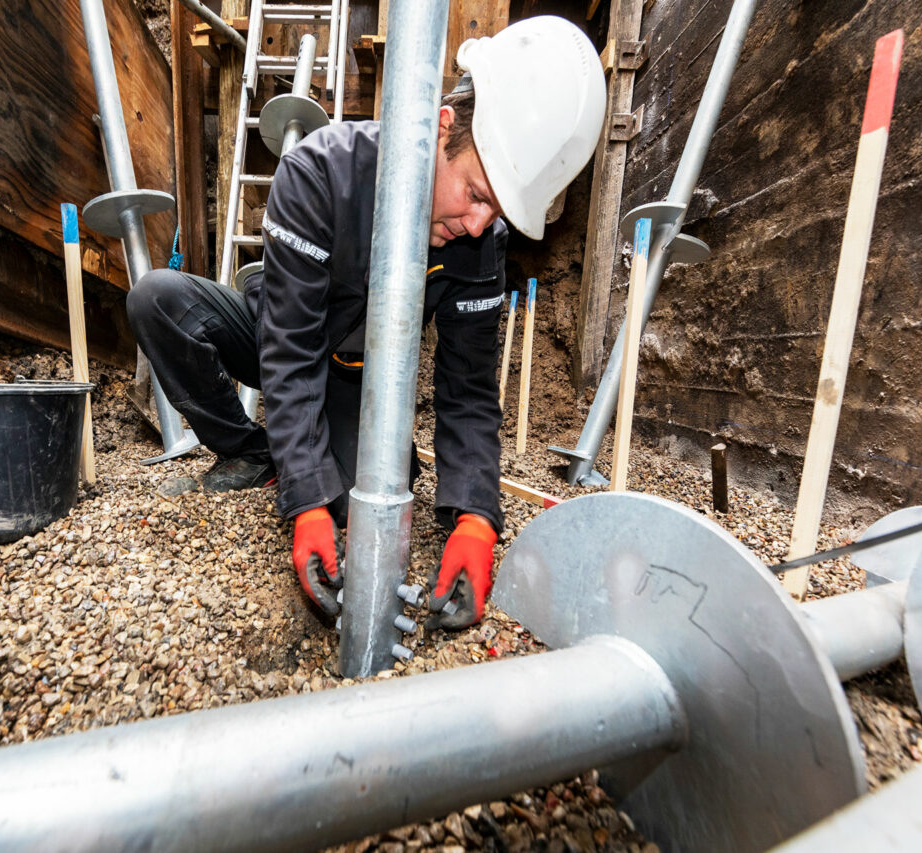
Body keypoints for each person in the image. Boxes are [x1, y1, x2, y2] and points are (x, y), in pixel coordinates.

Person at [126, 16, 605, 629]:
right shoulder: (320, 174)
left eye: (498, 209)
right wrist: (305, 502)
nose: (481, 225)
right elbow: (290, 354)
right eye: (477, 194)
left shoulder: (481, 243)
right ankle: (257, 451)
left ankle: (293, 456)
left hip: (357, 380)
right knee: (156, 300)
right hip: (278, 334)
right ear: (443, 128)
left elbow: (469, 391)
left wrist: (478, 518)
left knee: (372, 487)